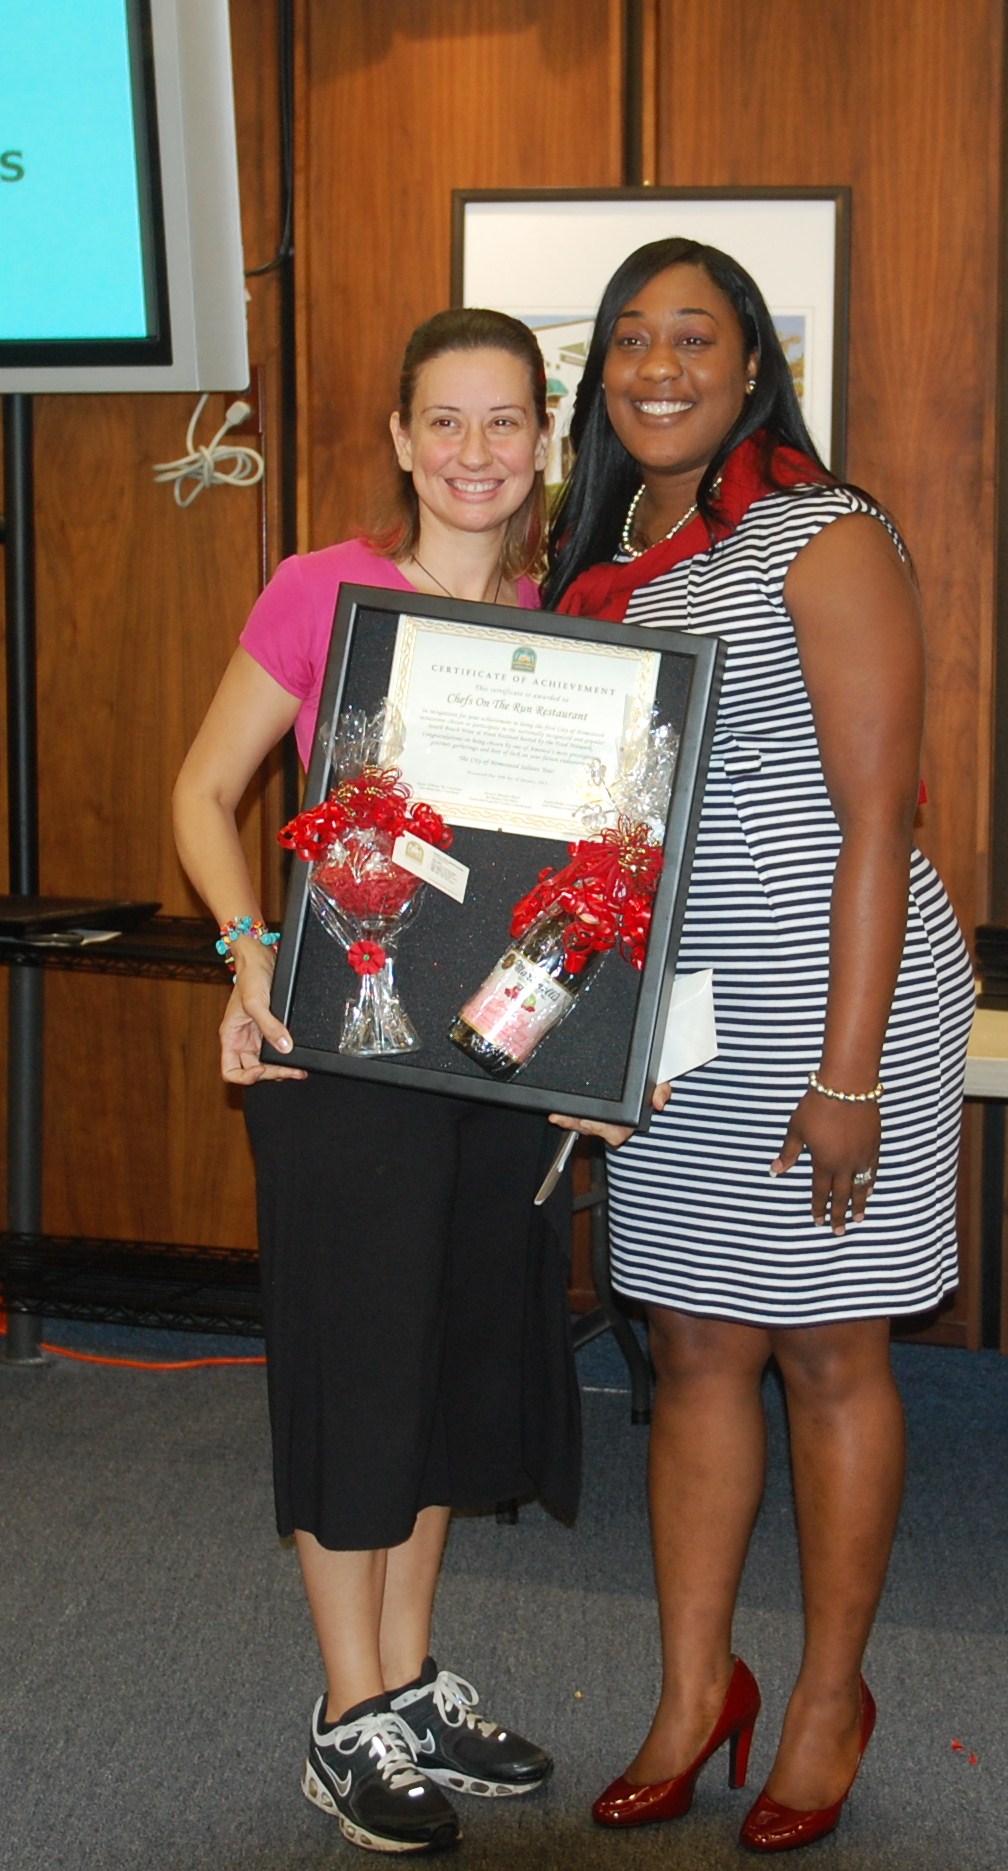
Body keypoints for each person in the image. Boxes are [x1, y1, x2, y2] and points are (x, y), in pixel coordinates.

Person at [543, 239, 973, 1854]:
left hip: (835, 1006)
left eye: (694, 338)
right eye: (630, 339)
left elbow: (879, 824)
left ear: (751, 366)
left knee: (829, 1350)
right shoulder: (597, 559)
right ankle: (688, 1686)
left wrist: (850, 1073)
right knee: (695, 1348)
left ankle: (826, 1697)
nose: (659, 366)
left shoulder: (823, 534)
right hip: (677, 1025)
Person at [173, 309, 580, 1858]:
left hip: (496, 1067)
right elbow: (205, 794)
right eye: (445, 423)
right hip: (342, 1060)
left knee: (449, 1367)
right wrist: (245, 952)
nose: (475, 452)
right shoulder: (323, 592)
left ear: (540, 444)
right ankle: (346, 1716)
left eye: (504, 423)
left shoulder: (563, 626)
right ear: (403, 443)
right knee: (357, 1369)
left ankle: (408, 1678)